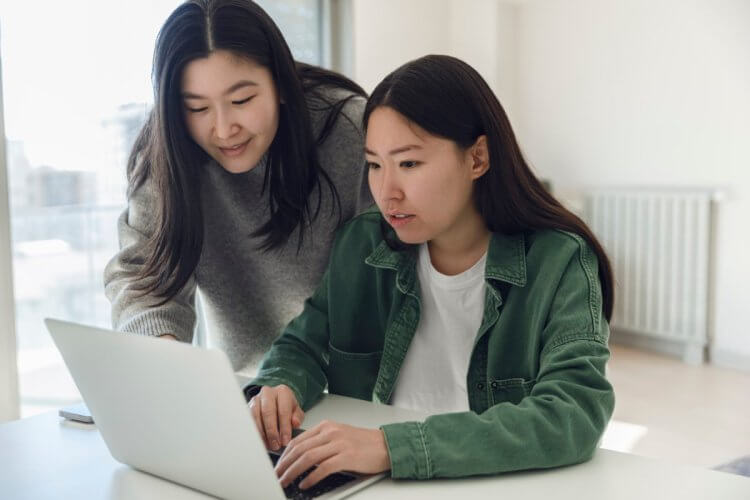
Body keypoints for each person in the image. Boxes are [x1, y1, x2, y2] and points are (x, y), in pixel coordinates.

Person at [246, 55, 616, 488]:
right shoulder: (362, 244)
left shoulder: (559, 261)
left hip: (488, 484)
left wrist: (390, 447)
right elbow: (303, 344)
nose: (387, 192)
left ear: (477, 158)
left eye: (408, 164)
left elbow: (572, 413)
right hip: (380, 484)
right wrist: (279, 386)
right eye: (375, 164)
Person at [104, 0, 371, 374]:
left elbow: (390, 279)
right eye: (197, 108)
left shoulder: (348, 127)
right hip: (244, 394)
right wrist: (164, 356)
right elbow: (144, 278)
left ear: (280, 82)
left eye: (242, 100)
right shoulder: (165, 154)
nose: (224, 128)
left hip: (353, 394)